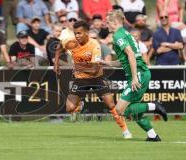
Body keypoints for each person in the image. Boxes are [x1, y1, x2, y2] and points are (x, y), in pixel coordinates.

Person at [54, 20, 132, 139]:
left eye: (79, 33)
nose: (77, 36)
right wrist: (56, 64)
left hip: (96, 78)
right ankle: (80, 104)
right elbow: (59, 48)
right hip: (80, 80)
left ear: (87, 33)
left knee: (111, 105)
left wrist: (77, 66)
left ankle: (125, 130)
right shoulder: (71, 42)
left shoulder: (94, 45)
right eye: (75, 33)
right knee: (69, 108)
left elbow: (94, 69)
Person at [101, 10, 168, 141]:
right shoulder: (125, 33)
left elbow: (131, 54)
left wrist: (135, 78)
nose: (106, 25)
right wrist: (106, 63)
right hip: (140, 73)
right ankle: (152, 136)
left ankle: (154, 106)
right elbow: (124, 61)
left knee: (120, 110)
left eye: (108, 23)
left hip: (139, 74)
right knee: (134, 111)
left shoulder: (118, 36)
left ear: (114, 23)